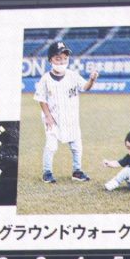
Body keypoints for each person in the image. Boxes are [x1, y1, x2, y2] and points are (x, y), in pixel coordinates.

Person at [34, 41, 99, 183]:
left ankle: (77, 171)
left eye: (65, 58)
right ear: (50, 60)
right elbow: (41, 98)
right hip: (53, 118)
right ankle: (47, 172)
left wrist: (92, 80)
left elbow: (86, 87)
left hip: (71, 118)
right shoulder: (45, 78)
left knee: (77, 147)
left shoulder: (73, 75)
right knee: (51, 146)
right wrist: (48, 116)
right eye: (58, 58)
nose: (62, 61)